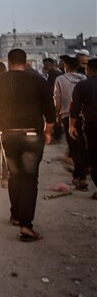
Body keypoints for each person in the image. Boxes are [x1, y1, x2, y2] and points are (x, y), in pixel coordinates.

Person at [0, 49, 55, 242]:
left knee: (14, 175)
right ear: (25, 62)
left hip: (8, 135)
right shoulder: (38, 81)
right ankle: (26, 225)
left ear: (9, 62)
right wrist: (47, 132)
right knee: (30, 179)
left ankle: (15, 215)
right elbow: (50, 111)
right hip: (32, 135)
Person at [54, 56, 87, 190]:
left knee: (74, 147)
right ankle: (77, 175)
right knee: (82, 146)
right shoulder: (83, 78)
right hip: (83, 116)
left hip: (67, 116)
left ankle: (81, 177)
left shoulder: (60, 79)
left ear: (66, 66)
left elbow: (57, 99)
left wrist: (57, 115)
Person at [69, 58, 97, 199]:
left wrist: (71, 125)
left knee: (94, 157)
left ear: (88, 70)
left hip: (92, 127)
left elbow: (75, 107)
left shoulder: (82, 86)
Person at [42, 58, 64, 142]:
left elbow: (51, 86)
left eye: (45, 64)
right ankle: (57, 136)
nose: (44, 66)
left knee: (55, 117)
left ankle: (57, 137)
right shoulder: (56, 73)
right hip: (56, 98)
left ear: (48, 64)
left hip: (54, 98)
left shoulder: (53, 73)